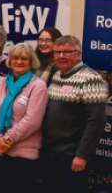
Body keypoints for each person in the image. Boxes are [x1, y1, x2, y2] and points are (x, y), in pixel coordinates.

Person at [42, 35, 107, 192]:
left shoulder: (91, 79)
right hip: (51, 153)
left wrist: (82, 155)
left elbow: (96, 121)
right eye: (57, 52)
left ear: (78, 54)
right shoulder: (57, 74)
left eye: (67, 52)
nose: (61, 56)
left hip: (72, 156)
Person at [0, 43, 47, 193]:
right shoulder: (1, 83)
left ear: (31, 62)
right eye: (16, 58)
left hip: (23, 157)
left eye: (24, 58)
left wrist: (6, 140)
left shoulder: (38, 86)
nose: (19, 62)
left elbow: (32, 121)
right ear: (10, 60)